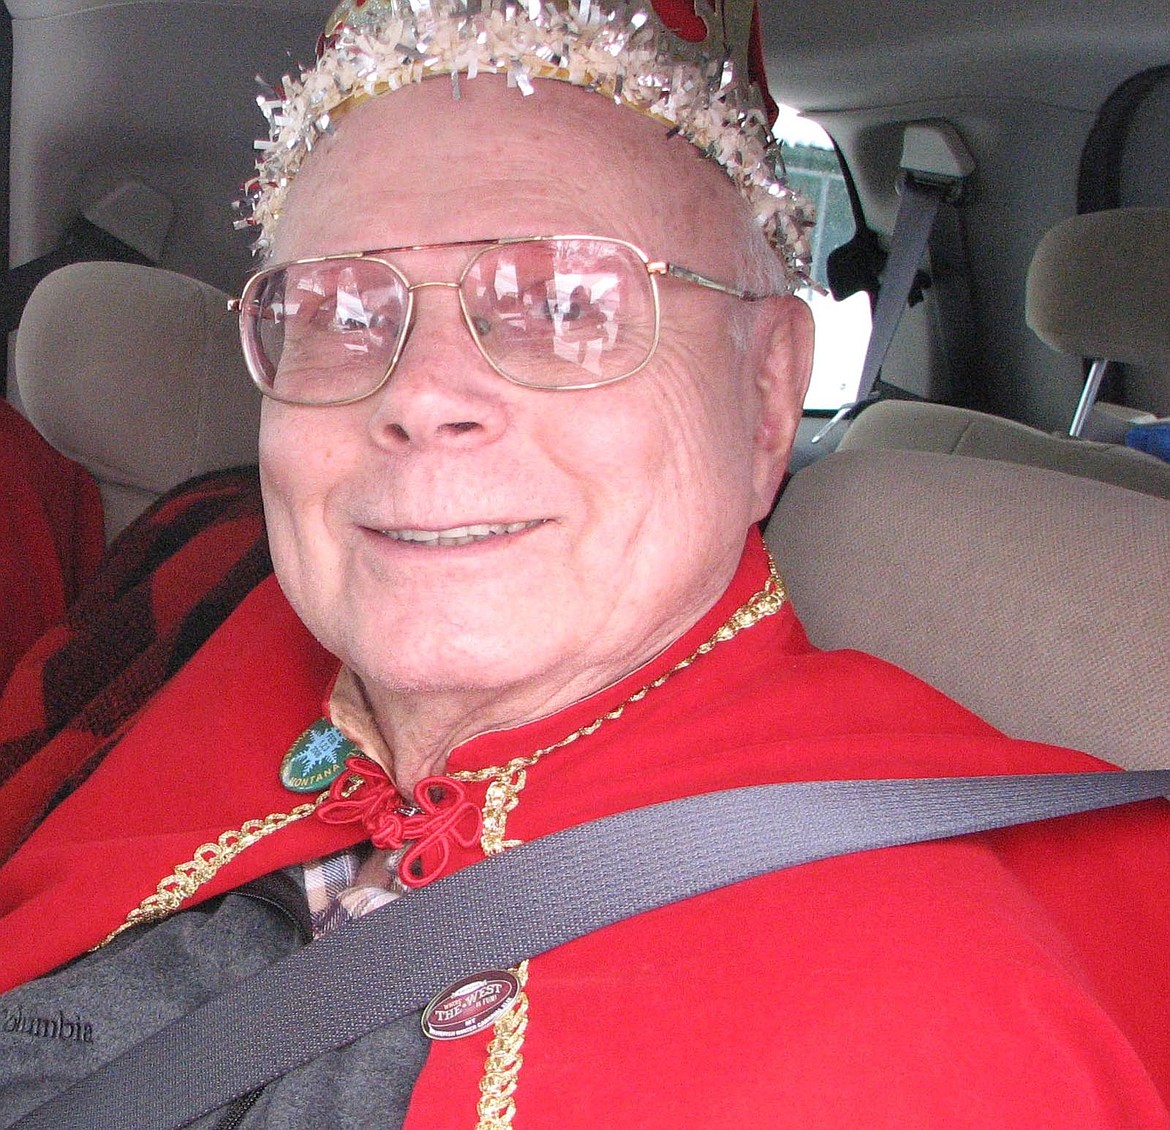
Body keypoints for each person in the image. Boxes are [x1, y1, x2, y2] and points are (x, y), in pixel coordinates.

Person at [2, 1, 1170, 1126]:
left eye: (564, 300)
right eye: (344, 312)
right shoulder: (192, 646)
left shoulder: (951, 1022)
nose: (418, 397)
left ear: (765, 396)